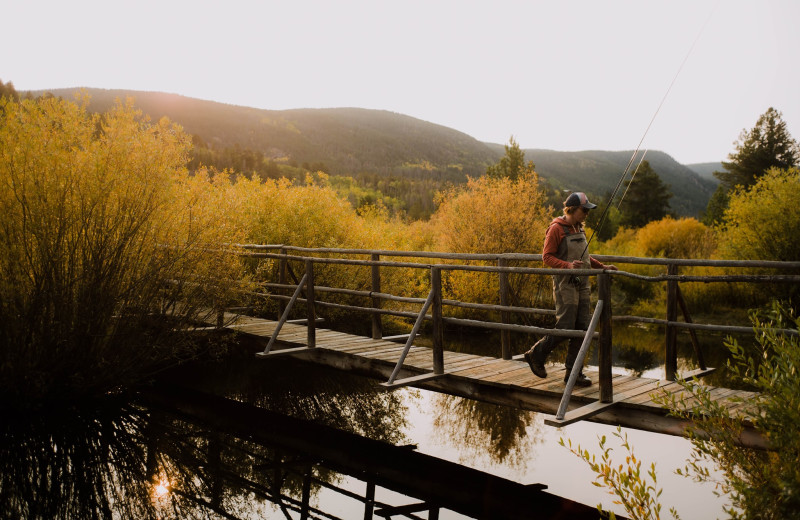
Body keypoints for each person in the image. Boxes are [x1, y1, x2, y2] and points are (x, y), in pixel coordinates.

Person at [523, 192, 617, 386]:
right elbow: (546, 257)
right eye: (585, 210)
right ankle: (536, 354)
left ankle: (574, 374)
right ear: (573, 209)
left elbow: (585, 258)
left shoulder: (579, 228)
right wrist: (567, 265)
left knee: (583, 328)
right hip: (565, 283)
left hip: (583, 284)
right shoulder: (556, 229)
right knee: (566, 327)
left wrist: (602, 267)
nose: (587, 214)